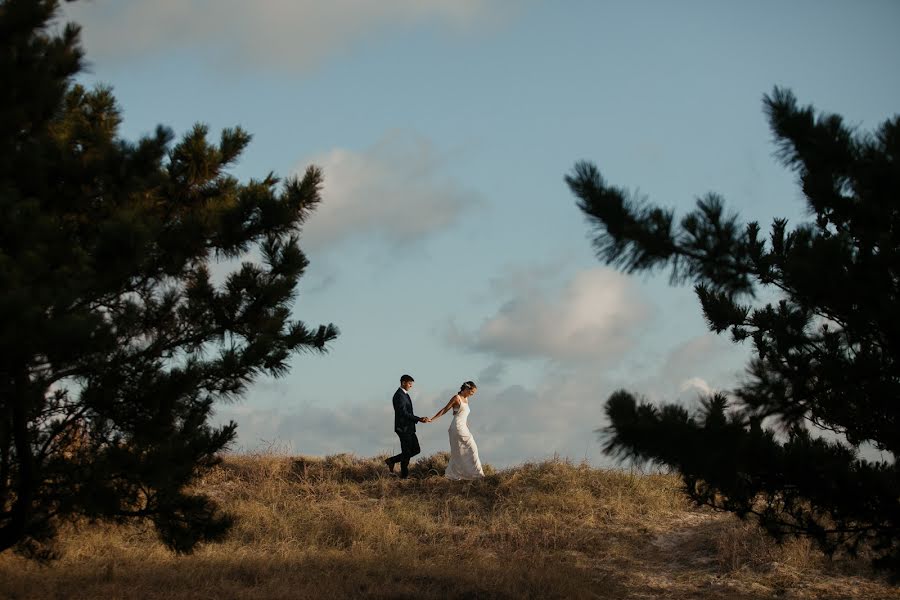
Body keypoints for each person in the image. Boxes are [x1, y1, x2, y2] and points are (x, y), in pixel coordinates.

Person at [429, 381, 484, 480]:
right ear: (467, 389)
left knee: (461, 452)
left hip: (463, 427)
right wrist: (432, 419)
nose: (472, 395)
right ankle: (477, 475)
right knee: (472, 448)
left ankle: (462, 474)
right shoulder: (456, 398)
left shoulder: (466, 399)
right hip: (457, 427)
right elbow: (445, 409)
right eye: (472, 392)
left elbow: (461, 414)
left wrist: (467, 426)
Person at [385, 374, 428, 479]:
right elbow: (403, 413)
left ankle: (391, 461)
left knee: (416, 450)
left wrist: (418, 419)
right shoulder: (399, 395)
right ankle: (404, 476)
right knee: (407, 452)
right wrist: (419, 419)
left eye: (411, 384)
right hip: (403, 428)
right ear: (403, 382)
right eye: (409, 383)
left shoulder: (405, 394)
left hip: (409, 428)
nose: (411, 386)